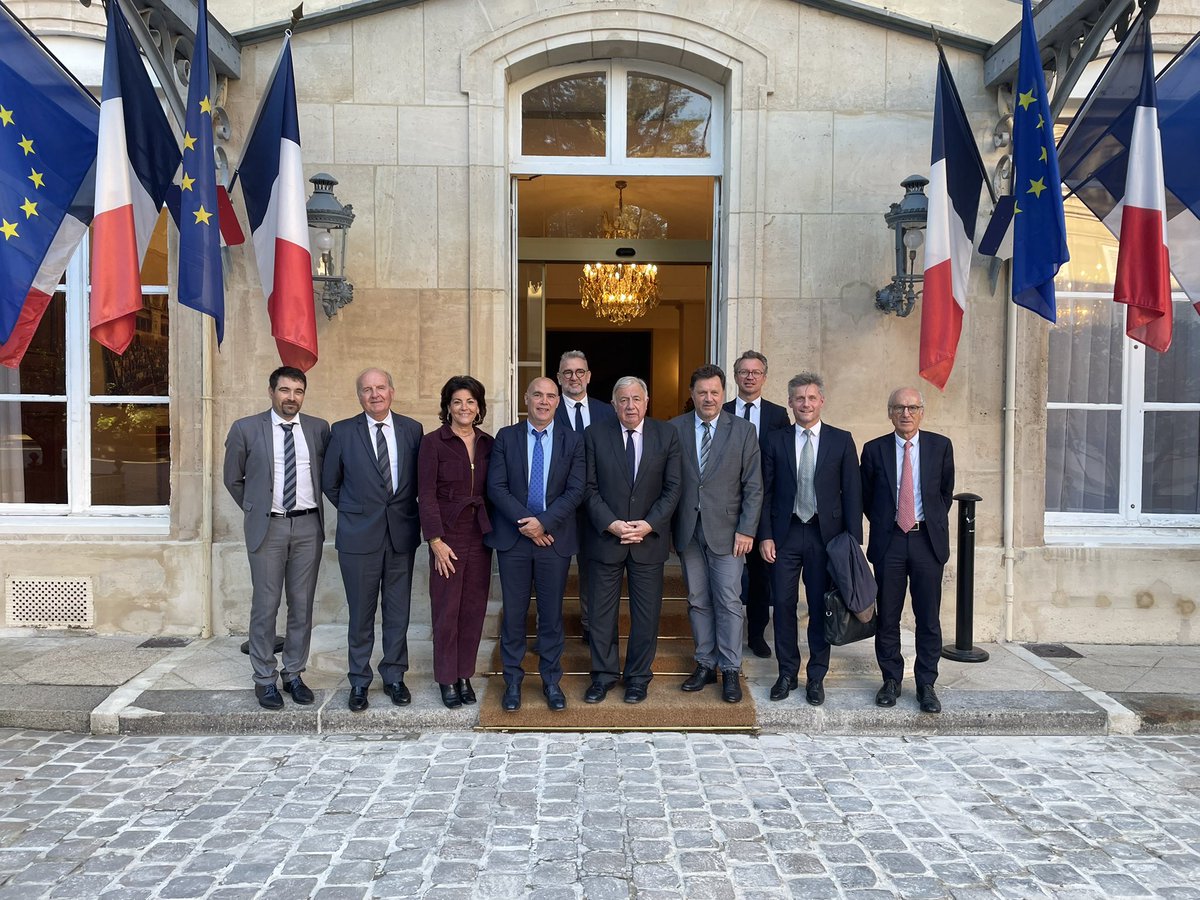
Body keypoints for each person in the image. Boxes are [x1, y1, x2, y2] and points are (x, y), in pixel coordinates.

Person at [223, 366, 329, 710]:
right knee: (266, 606)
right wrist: (257, 510)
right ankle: (264, 679)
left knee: (301, 605)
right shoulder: (246, 428)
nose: (291, 398)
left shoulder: (318, 429)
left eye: (298, 391)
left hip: (308, 526)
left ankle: (294, 673)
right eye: (285, 390)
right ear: (272, 392)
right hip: (268, 527)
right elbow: (232, 478)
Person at [758, 372, 862, 706]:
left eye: (812, 398)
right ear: (790, 403)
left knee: (821, 608)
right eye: (799, 398)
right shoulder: (775, 440)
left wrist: (852, 542)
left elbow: (852, 493)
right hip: (785, 535)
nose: (806, 404)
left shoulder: (841, 440)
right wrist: (765, 536)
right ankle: (787, 673)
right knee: (784, 606)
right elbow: (765, 492)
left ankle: (817, 676)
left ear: (821, 401)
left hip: (825, 537)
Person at [323, 368, 423, 712]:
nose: (375, 394)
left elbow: (418, 481)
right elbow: (330, 482)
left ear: (392, 391)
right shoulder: (342, 431)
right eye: (367, 389)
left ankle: (394, 676)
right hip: (358, 538)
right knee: (361, 614)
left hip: (400, 535)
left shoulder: (412, 430)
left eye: (381, 387)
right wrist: (357, 512)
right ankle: (359, 681)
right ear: (359, 396)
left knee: (398, 612)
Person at [487, 376, 585, 712]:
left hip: (552, 541)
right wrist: (529, 524)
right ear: (525, 398)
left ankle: (551, 681)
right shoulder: (506, 437)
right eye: (537, 395)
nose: (543, 401)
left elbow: (575, 490)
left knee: (551, 616)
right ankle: (512, 681)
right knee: (514, 614)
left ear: (558, 402)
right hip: (514, 541)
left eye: (550, 396)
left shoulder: (573, 441)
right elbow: (497, 487)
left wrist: (544, 522)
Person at [583, 376, 682, 704]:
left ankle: (638, 677)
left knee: (646, 615)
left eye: (636, 399)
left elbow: (673, 488)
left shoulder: (666, 434)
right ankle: (603, 675)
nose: (630, 405)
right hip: (606, 538)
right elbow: (588, 487)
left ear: (647, 401)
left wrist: (649, 524)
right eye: (623, 399)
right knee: (601, 613)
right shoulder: (595, 435)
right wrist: (610, 523)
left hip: (648, 540)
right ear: (613, 404)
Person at [671, 365, 762, 704]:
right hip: (687, 531)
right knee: (697, 600)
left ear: (723, 394)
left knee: (727, 601)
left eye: (714, 392)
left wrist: (747, 530)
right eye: (702, 392)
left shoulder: (743, 431)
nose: (708, 398)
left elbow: (753, 486)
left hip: (729, 533)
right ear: (692, 394)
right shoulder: (674, 429)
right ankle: (705, 664)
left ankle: (731, 669)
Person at [861, 387, 955, 714]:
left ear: (922, 412)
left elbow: (944, 493)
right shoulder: (873, 450)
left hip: (927, 540)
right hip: (890, 542)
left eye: (913, 407)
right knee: (887, 614)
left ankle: (926, 684)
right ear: (889, 412)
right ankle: (891, 680)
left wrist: (922, 520)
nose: (906, 413)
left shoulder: (941, 447)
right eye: (899, 407)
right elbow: (867, 497)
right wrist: (891, 523)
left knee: (928, 617)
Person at [418, 375, 494, 710]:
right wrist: (435, 539)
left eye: (470, 402)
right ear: (447, 407)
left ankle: (465, 674)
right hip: (447, 534)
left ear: (479, 407)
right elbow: (426, 493)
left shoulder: (489, 443)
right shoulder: (433, 442)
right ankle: (447, 678)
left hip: (480, 533)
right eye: (458, 402)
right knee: (447, 609)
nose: (464, 408)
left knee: (473, 609)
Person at [723, 350, 791, 659]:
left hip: (764, 507)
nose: (750, 376)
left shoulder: (778, 415)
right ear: (735, 376)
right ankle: (727, 634)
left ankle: (757, 634)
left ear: (764, 377)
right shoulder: (720, 410)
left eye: (756, 372)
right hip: (725, 505)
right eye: (744, 372)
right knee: (727, 576)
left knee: (761, 576)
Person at [554, 350, 617, 646]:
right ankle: (549, 630)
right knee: (552, 575)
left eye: (580, 372)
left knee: (594, 573)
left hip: (596, 508)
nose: (574, 377)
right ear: (559, 378)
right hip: (558, 509)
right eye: (567, 372)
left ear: (589, 376)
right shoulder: (548, 409)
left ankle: (592, 628)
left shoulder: (607, 412)